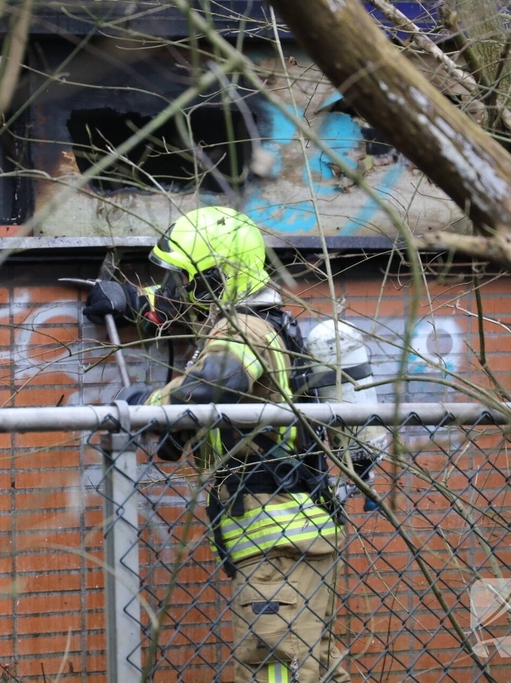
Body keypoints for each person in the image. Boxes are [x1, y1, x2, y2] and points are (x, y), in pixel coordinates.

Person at [83, 207, 352, 683]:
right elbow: (187, 310)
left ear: (217, 277)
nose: (177, 288)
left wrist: (150, 403)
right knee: (307, 661)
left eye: (186, 278)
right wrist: (132, 299)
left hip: (275, 539)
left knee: (275, 664)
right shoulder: (257, 317)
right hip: (290, 533)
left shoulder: (242, 330)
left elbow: (212, 384)